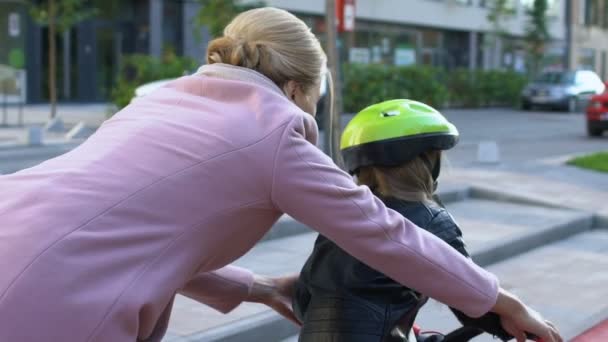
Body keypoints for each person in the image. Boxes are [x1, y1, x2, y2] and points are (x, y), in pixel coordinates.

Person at [0, 7, 560, 342]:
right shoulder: (272, 129)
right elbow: (383, 232)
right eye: (314, 100)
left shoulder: (159, 103)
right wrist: (503, 301)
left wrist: (263, 288)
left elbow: (134, 242)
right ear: (297, 90)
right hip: (49, 301)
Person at [293, 99, 544, 342]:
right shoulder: (431, 220)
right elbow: (470, 299)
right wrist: (523, 324)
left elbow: (303, 299)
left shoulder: (343, 218)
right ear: (425, 162)